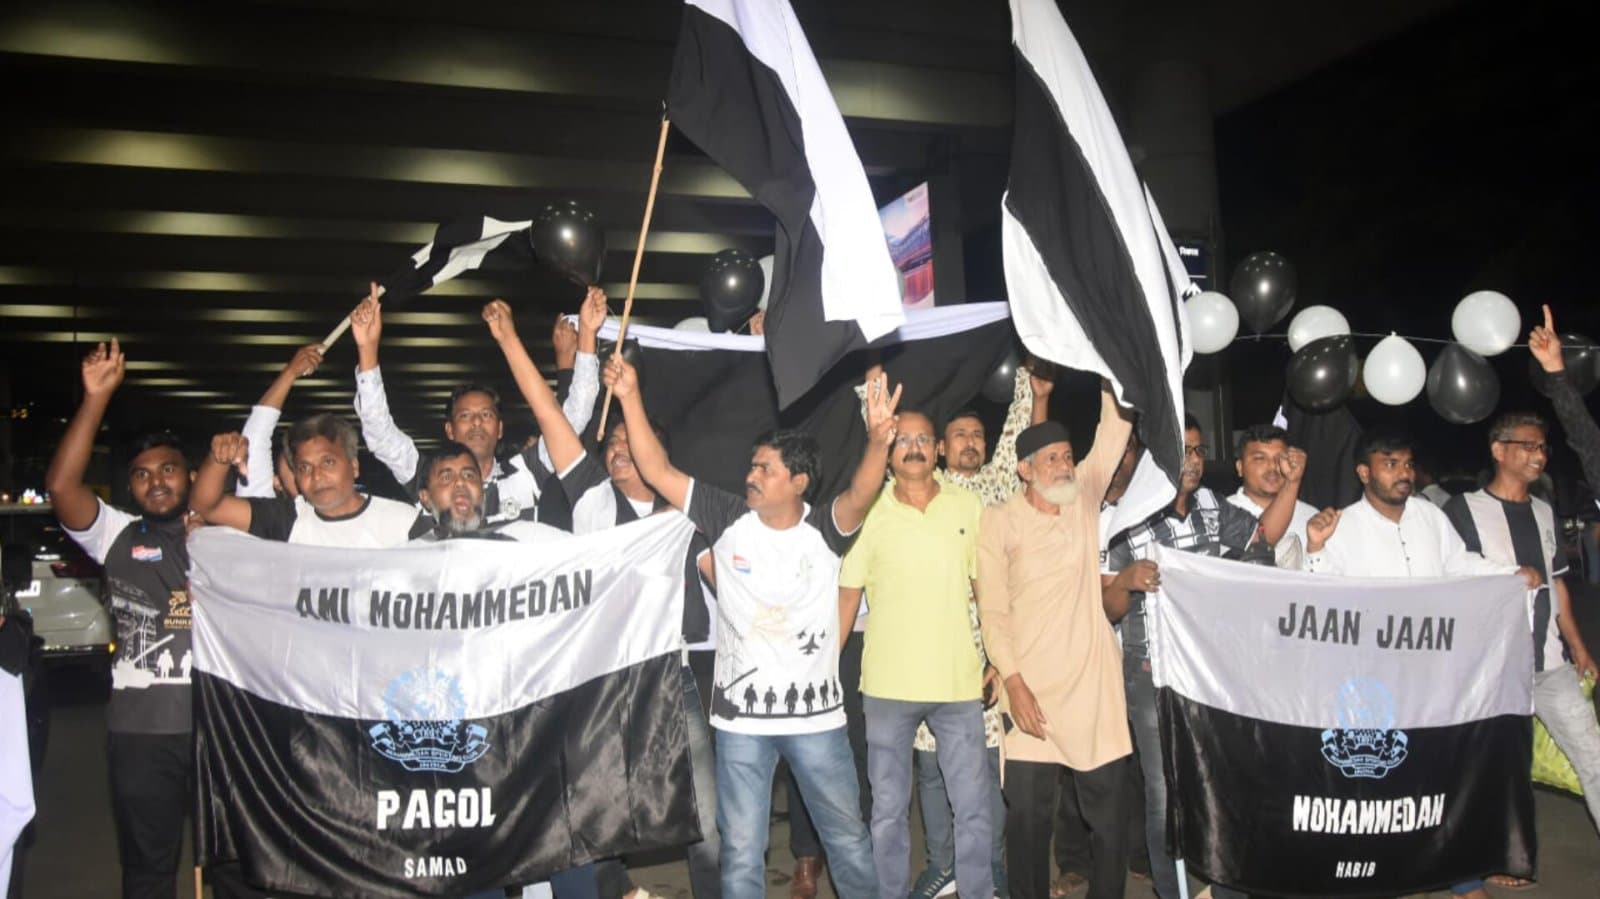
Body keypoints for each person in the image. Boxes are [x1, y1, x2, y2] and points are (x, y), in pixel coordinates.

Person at [602, 352, 895, 899]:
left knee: (848, 840)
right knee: (740, 849)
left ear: (799, 481)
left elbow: (861, 491)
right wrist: (629, 395)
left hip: (817, 722)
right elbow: (658, 468)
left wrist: (878, 441)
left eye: (765, 469)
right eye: (752, 466)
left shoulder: (826, 531)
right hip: (740, 724)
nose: (751, 475)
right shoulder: (726, 518)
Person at [482, 298, 721, 899]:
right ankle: (615, 889)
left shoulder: (686, 511)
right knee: (594, 805)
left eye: (626, 441)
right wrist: (511, 340)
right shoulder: (592, 504)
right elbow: (552, 417)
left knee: (707, 821)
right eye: (609, 442)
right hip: (605, 682)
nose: (614, 448)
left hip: (674, 677)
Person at [43, 340, 247, 898]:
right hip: (141, 735)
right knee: (149, 870)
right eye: (141, 475)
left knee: (238, 866)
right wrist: (95, 400)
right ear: (130, 488)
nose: (157, 482)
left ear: (188, 475)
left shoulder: (227, 536)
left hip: (224, 728)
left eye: (169, 470)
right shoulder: (115, 535)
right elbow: (62, 488)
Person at [1302, 431, 1541, 899]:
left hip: (1433, 675)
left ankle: (1459, 877)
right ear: (1364, 472)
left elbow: (1459, 564)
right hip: (1373, 682)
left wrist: (1509, 576)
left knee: (1440, 775)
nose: (1403, 473)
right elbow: (1321, 599)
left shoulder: (1430, 516)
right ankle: (1381, 874)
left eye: (1408, 463)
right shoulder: (1341, 526)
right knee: (1381, 784)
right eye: (1390, 463)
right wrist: (1314, 549)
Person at [1101, 417, 1305, 899]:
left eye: (1195, 450)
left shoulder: (1213, 507)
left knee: (1222, 786)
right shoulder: (1126, 517)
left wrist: (1291, 485)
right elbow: (1107, 605)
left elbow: (1263, 541)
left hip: (1212, 673)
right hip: (1152, 673)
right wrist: (1127, 580)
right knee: (1164, 795)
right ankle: (1172, 891)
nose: (1190, 461)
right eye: (1180, 450)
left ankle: (1224, 886)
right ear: (1155, 458)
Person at [978, 385, 1134, 899]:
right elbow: (994, 610)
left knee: (1110, 824)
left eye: (1068, 455)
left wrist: (1115, 374)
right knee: (1026, 824)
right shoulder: (999, 521)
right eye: (1052, 458)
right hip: (1030, 692)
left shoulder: (1084, 496)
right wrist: (1014, 683)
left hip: (1092, 688)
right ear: (1025, 469)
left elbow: (1114, 430)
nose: (1065, 465)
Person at [837, 410, 993, 899]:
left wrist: (1000, 660)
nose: (915, 447)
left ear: (938, 449)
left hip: (959, 685)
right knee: (887, 812)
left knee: (973, 808)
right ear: (888, 449)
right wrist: (822, 671)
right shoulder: (869, 511)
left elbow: (985, 589)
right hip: (887, 687)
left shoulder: (968, 507)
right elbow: (846, 595)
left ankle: (977, 891)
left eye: (924, 438)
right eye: (903, 439)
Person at [1441, 413, 1600, 889]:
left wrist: (1578, 648)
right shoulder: (1461, 510)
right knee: (1496, 769)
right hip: (1490, 669)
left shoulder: (1544, 511)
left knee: (1593, 754)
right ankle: (1493, 857)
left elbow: (1558, 585)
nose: (1539, 455)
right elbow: (1448, 579)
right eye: (1528, 445)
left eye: (1543, 447)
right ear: (1498, 450)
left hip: (1549, 665)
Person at [347, 281, 606, 524]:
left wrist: (587, 336)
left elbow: (574, 417)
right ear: (449, 430)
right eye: (465, 416)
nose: (477, 423)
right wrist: (367, 349)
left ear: (500, 428)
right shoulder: (428, 476)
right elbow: (379, 432)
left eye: (486, 415)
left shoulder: (525, 472)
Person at [191, 414, 418, 546]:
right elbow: (206, 506)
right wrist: (217, 459)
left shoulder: (403, 521)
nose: (317, 476)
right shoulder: (288, 520)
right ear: (297, 478)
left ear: (354, 466)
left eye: (328, 462)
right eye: (304, 467)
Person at [237, 342, 326, 499]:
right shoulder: (272, 518)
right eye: (300, 465)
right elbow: (255, 441)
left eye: (326, 462)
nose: (313, 473)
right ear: (277, 482)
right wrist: (290, 373)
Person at [1226, 424, 1319, 568]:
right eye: (1260, 459)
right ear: (1240, 467)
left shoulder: (1312, 516)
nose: (1272, 468)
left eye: (1279, 459)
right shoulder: (1221, 513)